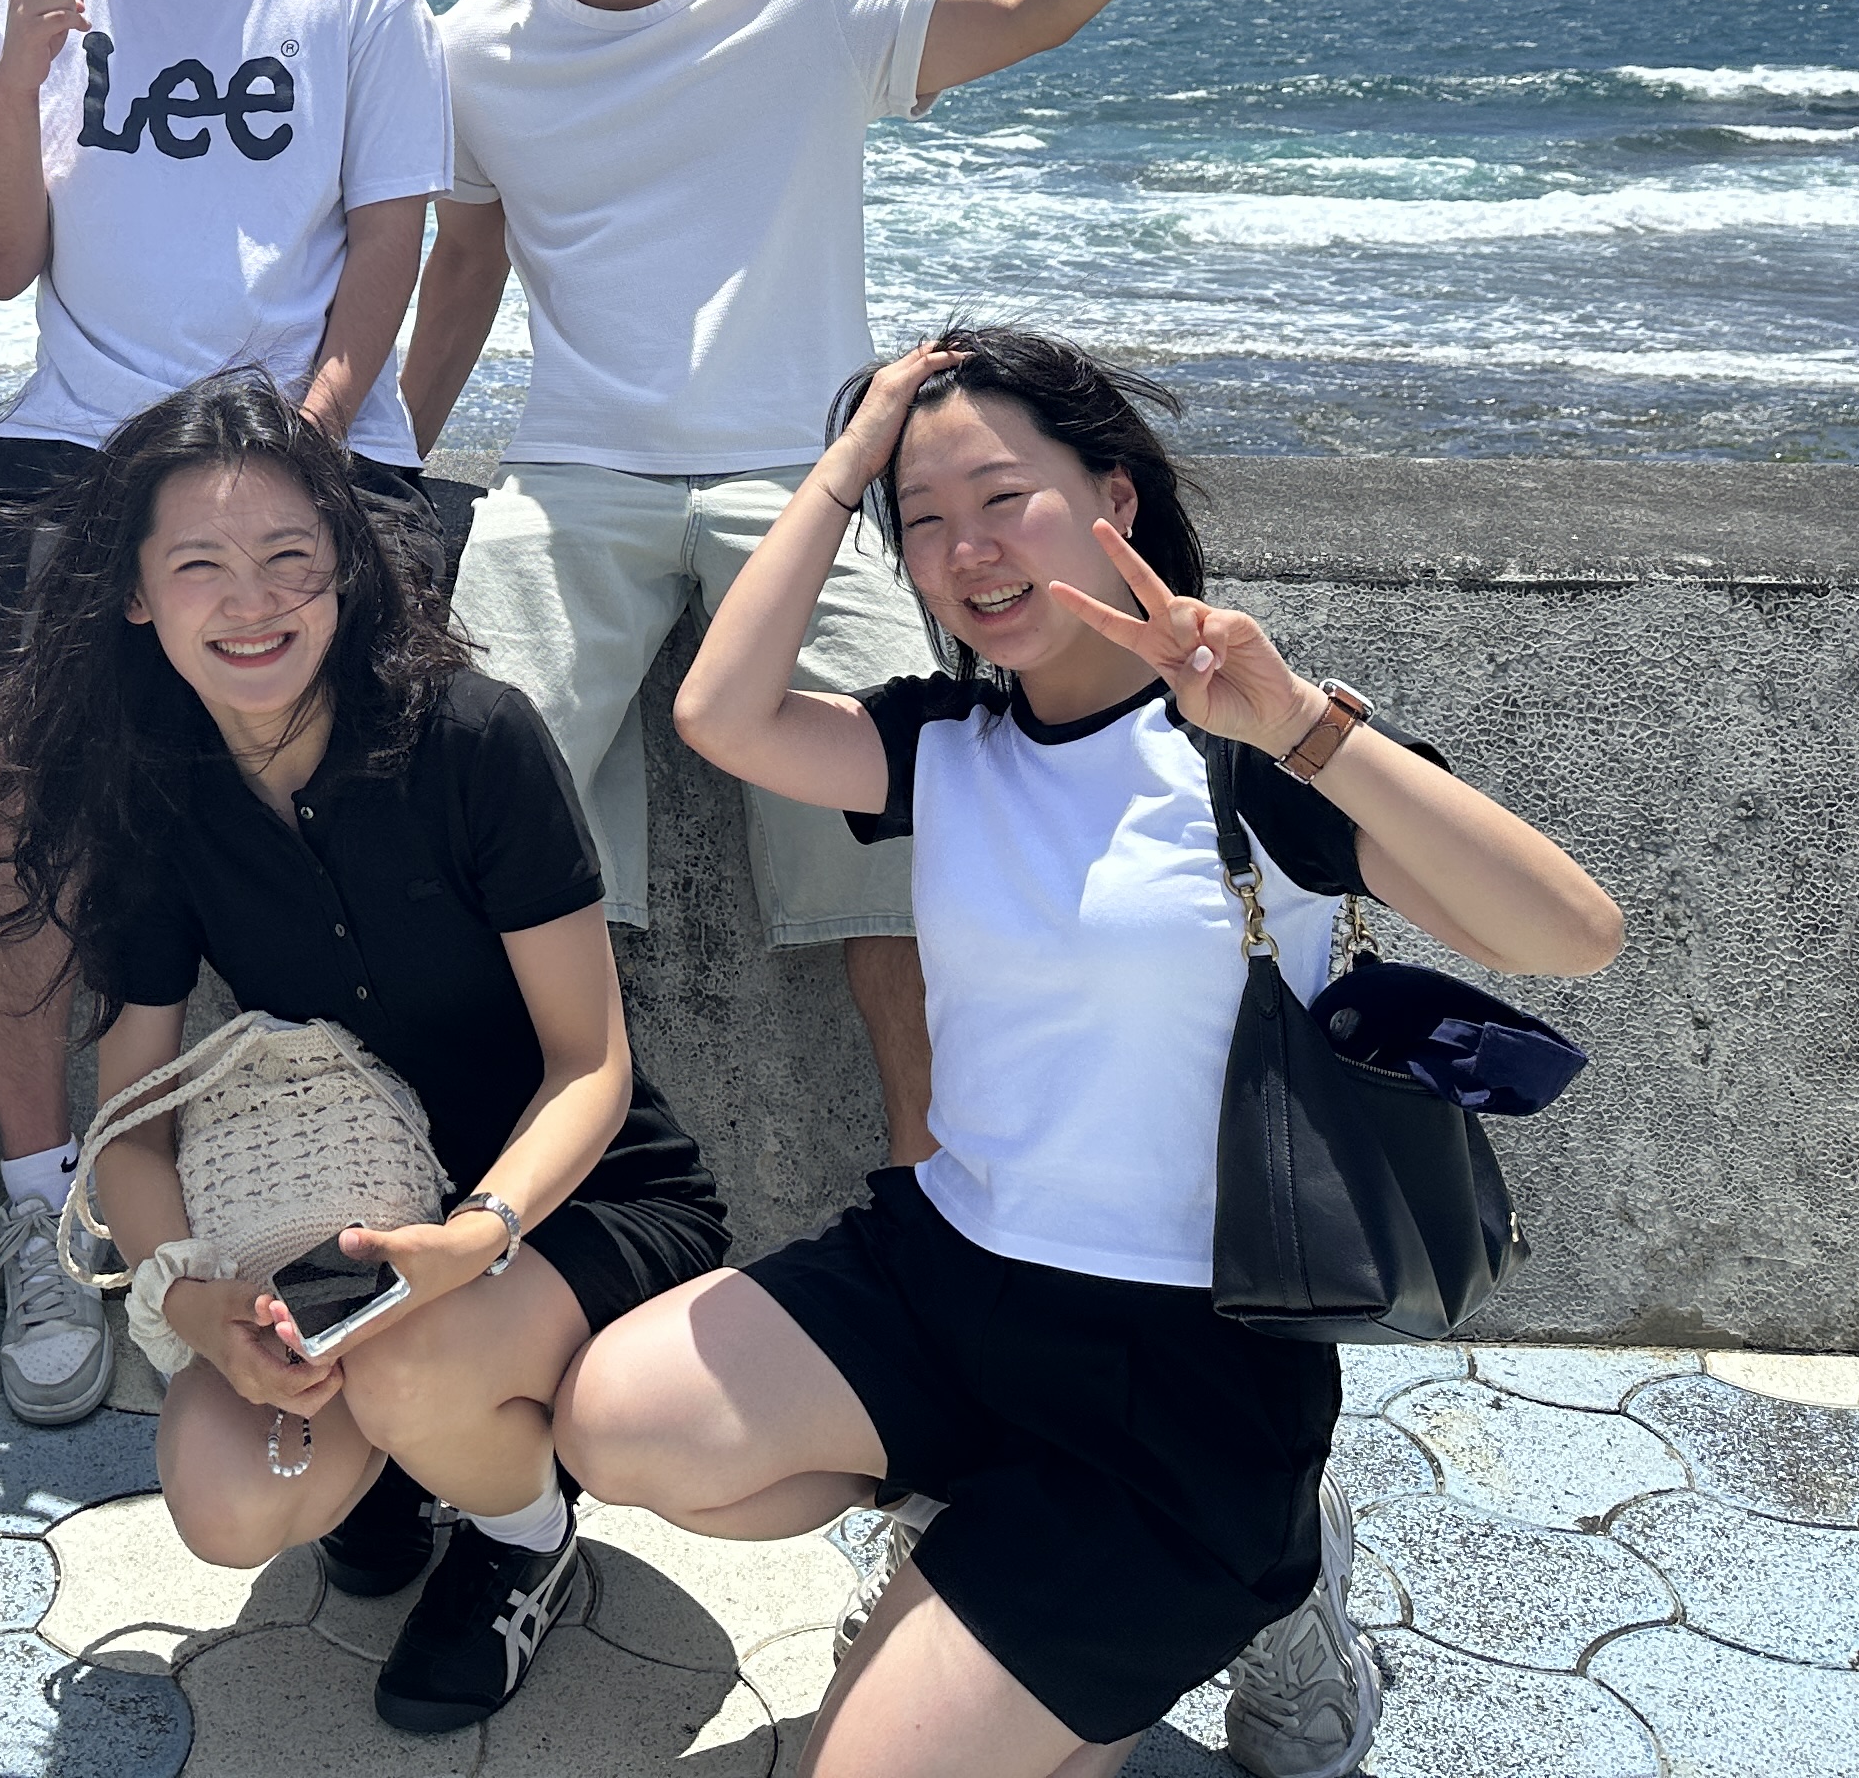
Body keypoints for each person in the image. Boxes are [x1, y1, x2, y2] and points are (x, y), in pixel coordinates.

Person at [557, 329, 1624, 1778]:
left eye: (1006, 498)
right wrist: (847, 464)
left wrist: (1300, 726)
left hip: (1185, 1362)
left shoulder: (1255, 756)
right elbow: (719, 714)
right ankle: (989, 1542)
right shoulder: (945, 745)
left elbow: (1571, 933)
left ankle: (1259, 1585)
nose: (968, 551)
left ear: (1114, 500)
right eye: (923, 520)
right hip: (943, 1277)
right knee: (618, 1422)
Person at [402, 0, 1274, 1173]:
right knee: (468, 789)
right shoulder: (469, 47)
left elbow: (1032, 5)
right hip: (573, 476)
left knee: (898, 843)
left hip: (798, 477)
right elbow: (464, 261)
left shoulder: (800, 5)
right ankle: (511, 1186)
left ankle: (941, 1189)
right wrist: (379, 460)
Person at [0, 372, 727, 1736]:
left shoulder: (473, 737)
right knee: (226, 1501)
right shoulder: (154, 794)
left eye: (289, 557)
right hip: (339, 1213)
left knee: (406, 1368)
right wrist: (194, 1298)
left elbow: (590, 1064)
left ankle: (521, 1537)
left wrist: (477, 1237)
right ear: (135, 595)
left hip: (569, 1195)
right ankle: (409, 1462)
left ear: (345, 567)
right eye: (199, 566)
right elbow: (133, 1122)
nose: (251, 602)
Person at [0, 0, 455, 1425]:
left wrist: (307, 443)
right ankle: (41, 1212)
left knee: (390, 804)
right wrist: (23, 68)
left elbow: (387, 238)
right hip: (75, 445)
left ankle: (398, 1213)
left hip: (315, 447)